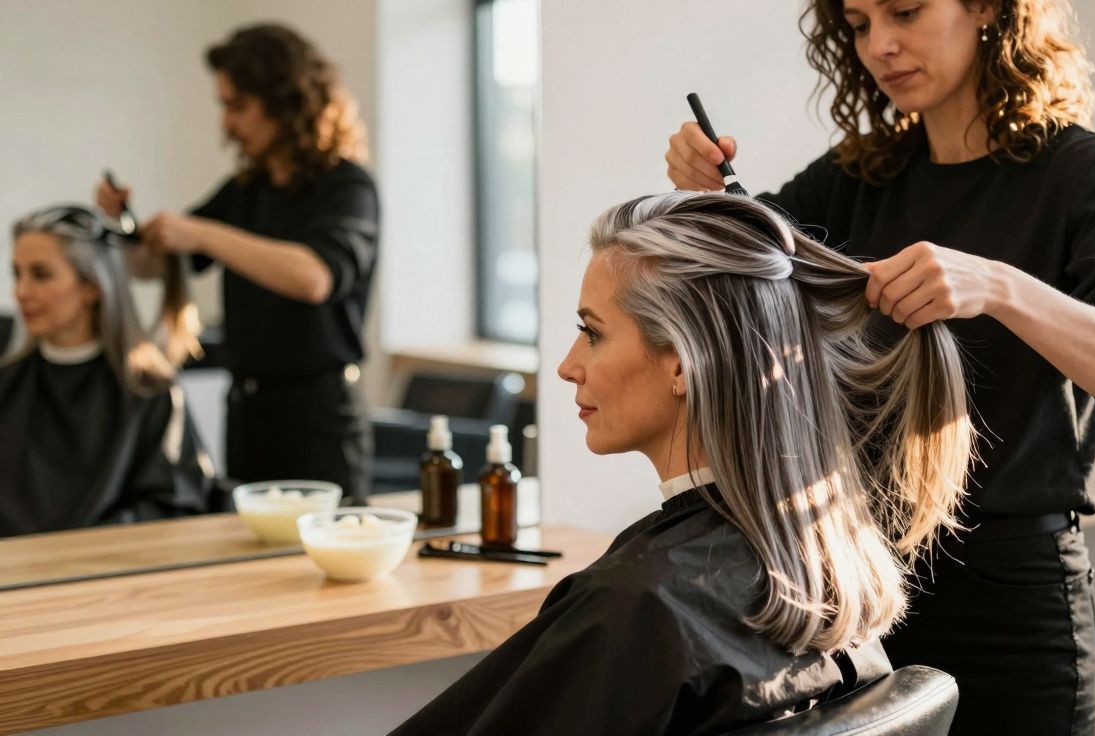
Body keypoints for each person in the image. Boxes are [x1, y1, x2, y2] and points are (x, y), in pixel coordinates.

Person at [663, 1, 1095, 733]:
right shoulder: (856, 180)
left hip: (1013, 608)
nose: (881, 44)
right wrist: (704, 198)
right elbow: (747, 296)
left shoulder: (1085, 174)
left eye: (906, 12)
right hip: (862, 594)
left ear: (985, 8)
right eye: (858, 25)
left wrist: (1000, 286)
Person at [390, 192, 974, 735]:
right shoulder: (827, 561)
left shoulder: (636, 607)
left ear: (682, 365)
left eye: (591, 333)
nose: (569, 366)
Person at [96, 23, 379, 503]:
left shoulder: (347, 188)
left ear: (286, 101)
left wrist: (202, 232)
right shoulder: (247, 192)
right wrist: (122, 228)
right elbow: (154, 266)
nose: (227, 124)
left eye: (237, 106)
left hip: (319, 418)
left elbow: (314, 277)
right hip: (248, 411)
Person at [0, 206, 213, 536]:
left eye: (41, 274)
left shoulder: (149, 391)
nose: (21, 292)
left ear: (92, 287)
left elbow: (173, 502)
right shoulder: (7, 385)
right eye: (18, 274)